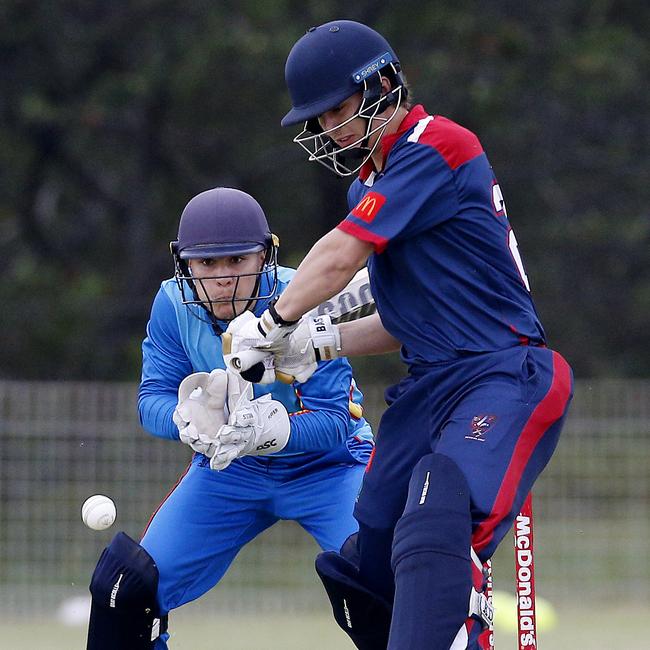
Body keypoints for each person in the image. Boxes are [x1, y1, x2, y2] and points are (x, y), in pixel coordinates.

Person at [226, 20, 574, 650]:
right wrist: (319, 344)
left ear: (382, 85)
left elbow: (340, 256)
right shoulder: (373, 182)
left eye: (337, 110)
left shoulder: (436, 144)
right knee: (364, 569)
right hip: (430, 388)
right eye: (321, 118)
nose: (328, 129)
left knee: (438, 503)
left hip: (503, 374)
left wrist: (274, 321)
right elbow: (401, 317)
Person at [84, 187, 373, 650]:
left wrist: (264, 433)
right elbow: (151, 398)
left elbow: (335, 422)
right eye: (207, 264)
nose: (223, 278)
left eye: (238, 261)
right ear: (185, 264)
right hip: (230, 471)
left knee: (379, 581)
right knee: (127, 589)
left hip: (328, 466)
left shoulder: (305, 293)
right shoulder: (172, 305)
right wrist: (186, 419)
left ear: (266, 256)